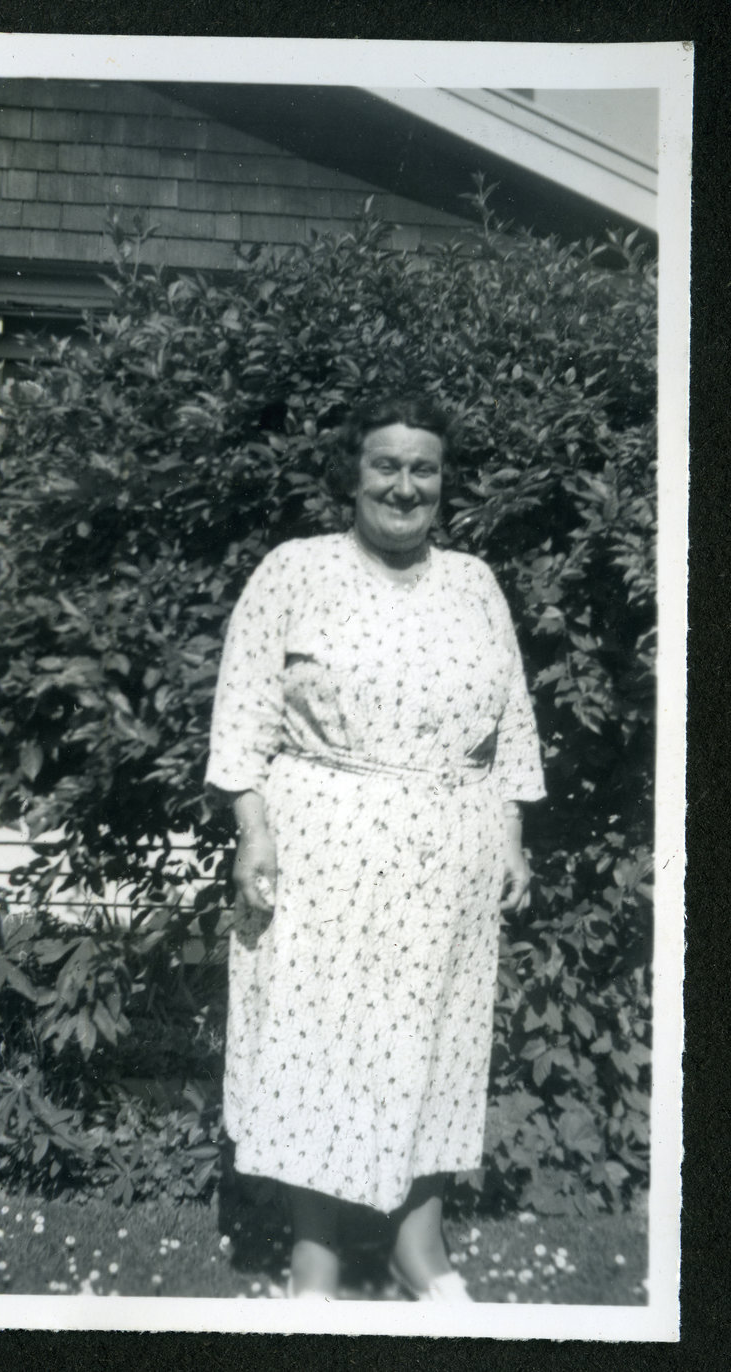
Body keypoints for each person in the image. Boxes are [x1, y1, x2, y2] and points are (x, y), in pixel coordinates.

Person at [205, 396, 545, 1300]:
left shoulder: (474, 581)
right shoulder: (295, 571)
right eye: (387, 466)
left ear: (443, 481)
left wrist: (510, 834)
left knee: (437, 1036)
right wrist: (252, 829)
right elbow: (242, 710)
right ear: (353, 476)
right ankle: (314, 1256)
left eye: (423, 469)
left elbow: (513, 716)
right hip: (323, 843)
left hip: (450, 850)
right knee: (315, 1039)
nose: (406, 485)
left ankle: (416, 1246)